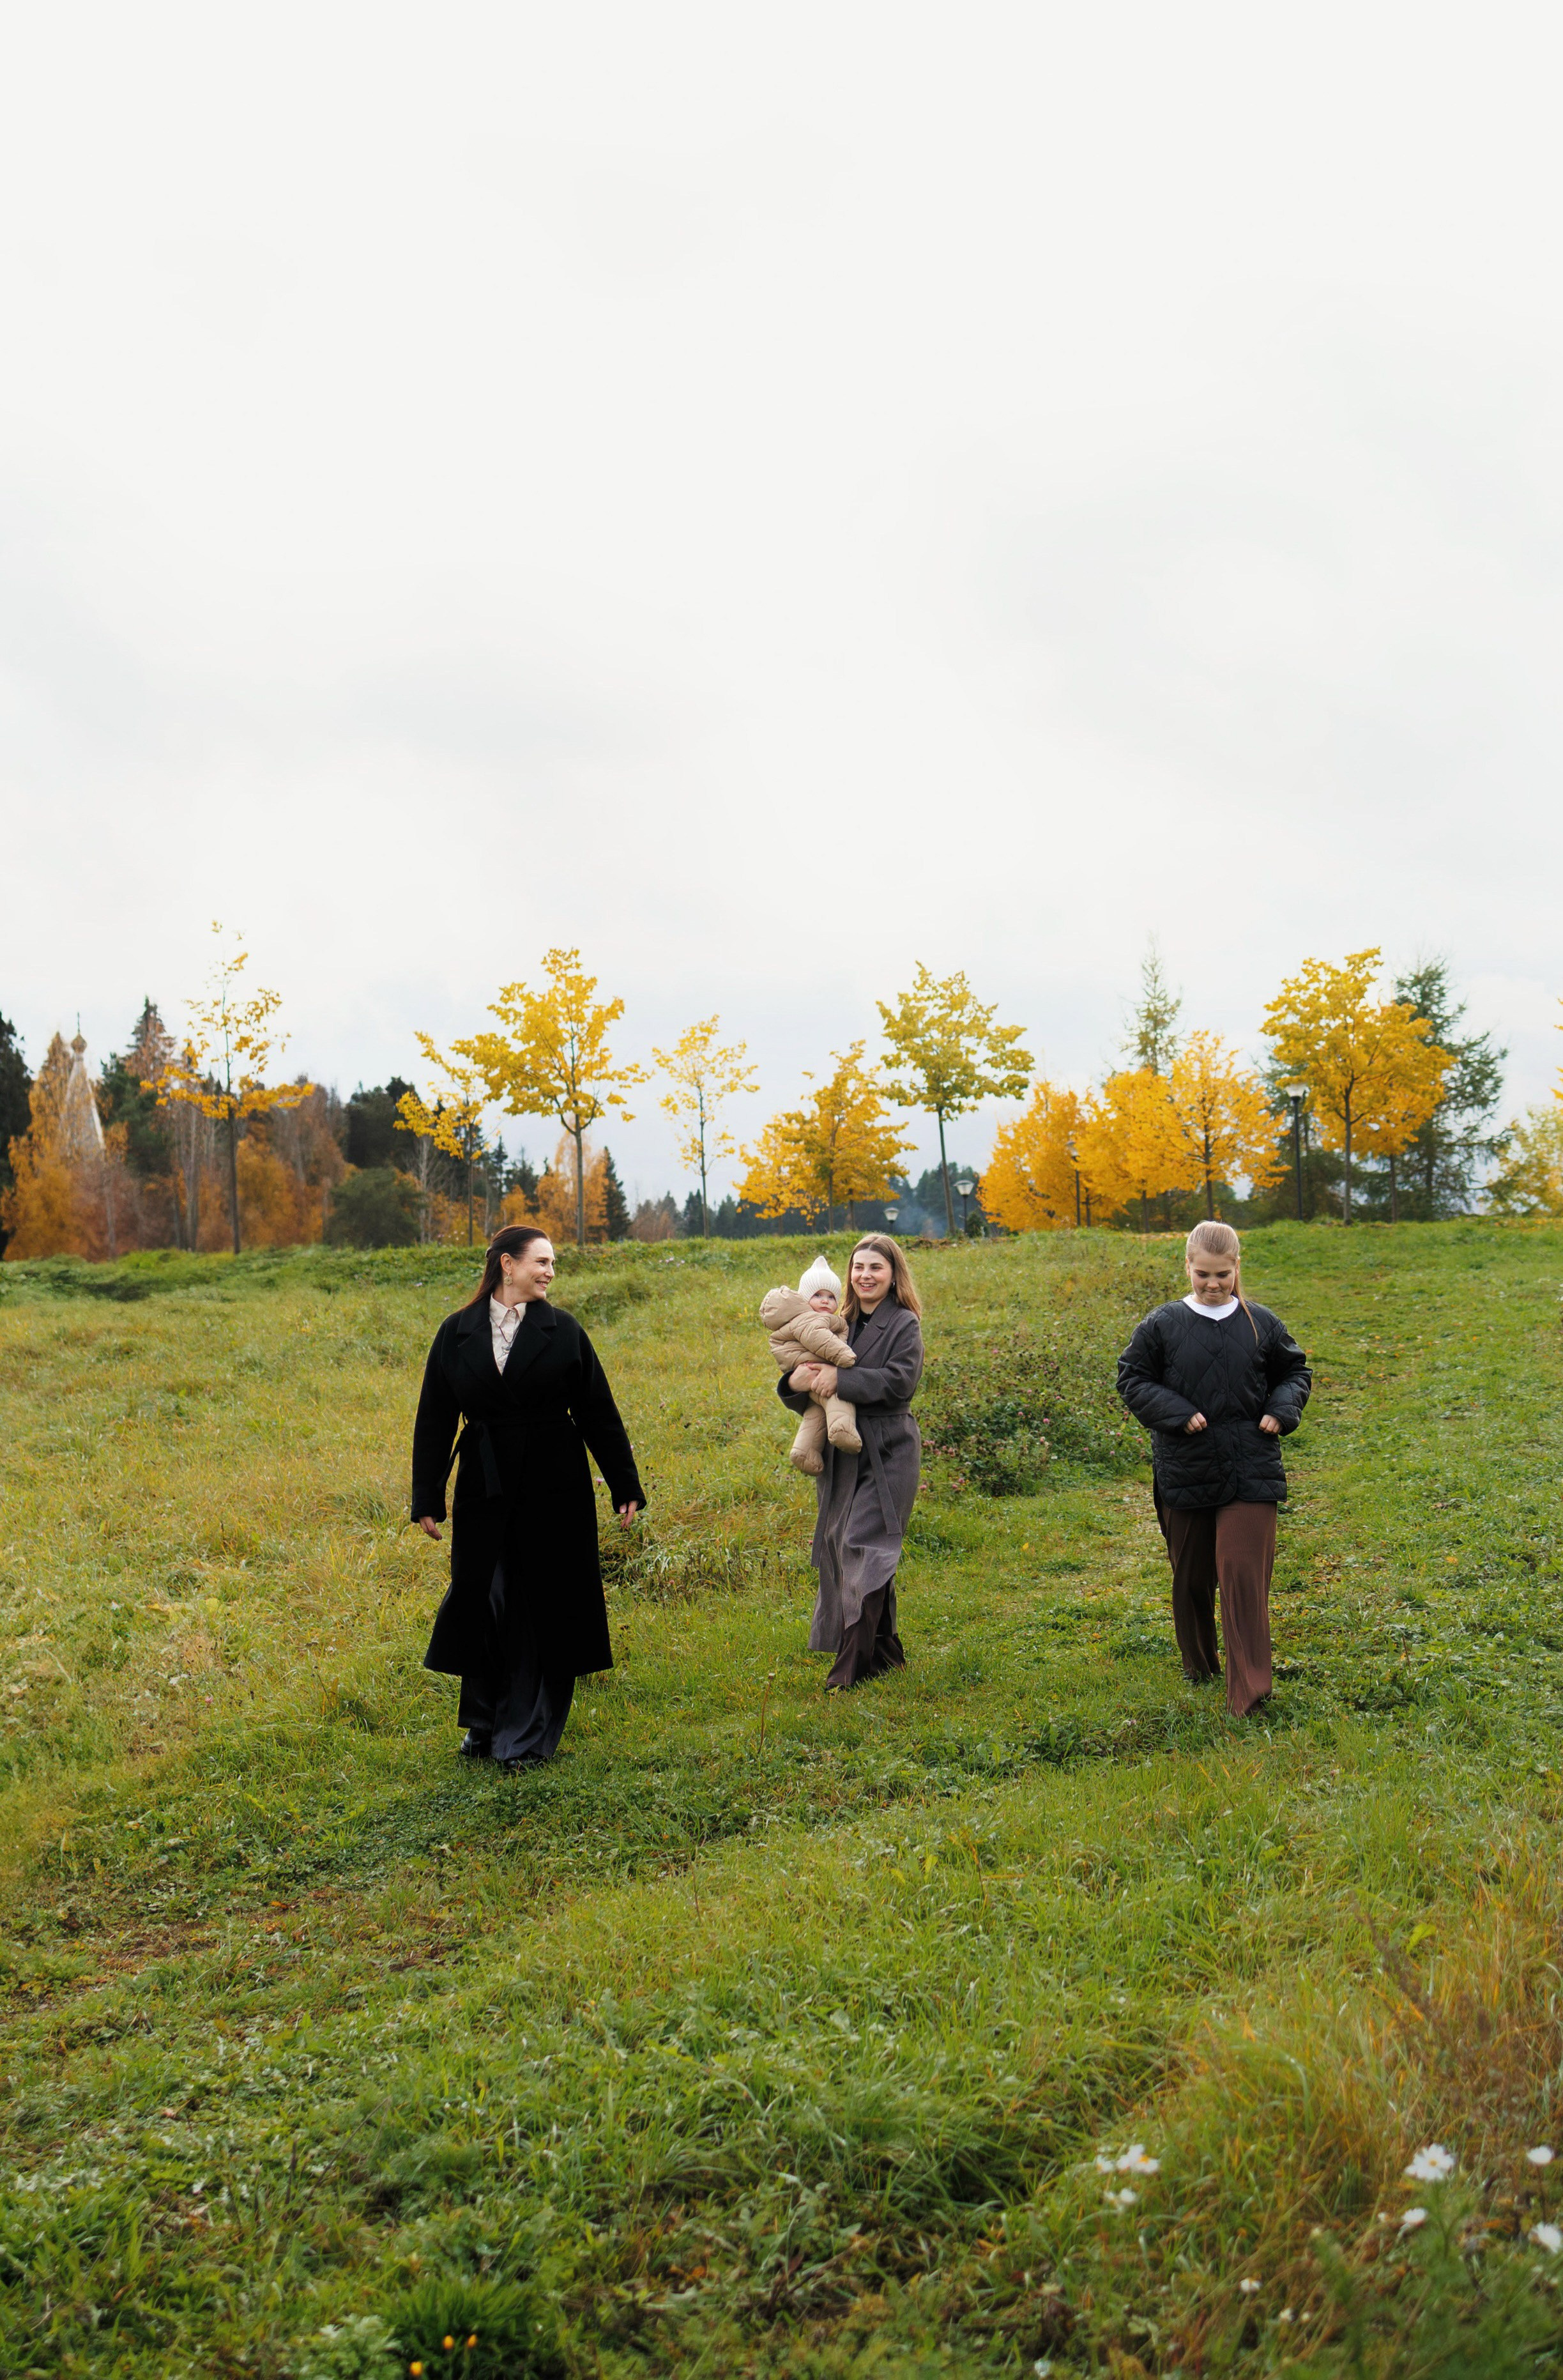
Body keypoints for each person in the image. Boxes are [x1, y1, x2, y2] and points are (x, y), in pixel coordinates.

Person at [410, 1225, 645, 1771]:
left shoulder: (563, 1330)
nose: (550, 1271)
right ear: (506, 1265)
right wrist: (427, 1496)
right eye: (541, 1261)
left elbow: (597, 1411)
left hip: (553, 1484)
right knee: (483, 1601)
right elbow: (435, 1417)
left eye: (553, 1263)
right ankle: (484, 1721)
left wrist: (624, 1483)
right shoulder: (456, 1332)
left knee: (544, 1606)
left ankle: (526, 1738)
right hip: (484, 1487)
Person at [1116, 1219, 1310, 1717]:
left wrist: (1282, 1409)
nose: (1212, 1284)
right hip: (1187, 1465)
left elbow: (1294, 1371)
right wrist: (1177, 1412)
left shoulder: (1260, 1322)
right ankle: (1199, 1664)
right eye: (1202, 1273)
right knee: (1192, 1577)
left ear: (1237, 1267)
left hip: (1251, 1462)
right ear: (1187, 1266)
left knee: (1243, 1574)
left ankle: (1249, 1691)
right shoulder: (1161, 1324)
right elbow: (1132, 1377)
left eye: (1222, 1274)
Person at [778, 1233, 924, 1691]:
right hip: (843, 1455)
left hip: (889, 1449)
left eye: (875, 1267)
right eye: (858, 1267)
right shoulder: (835, 1321)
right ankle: (886, 1653)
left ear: (892, 1274)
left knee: (867, 1545)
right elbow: (806, 1380)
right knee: (845, 1548)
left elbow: (900, 1383)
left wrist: (839, 1377)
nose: (865, 1275)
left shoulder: (904, 1324)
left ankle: (848, 1669)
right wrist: (793, 1383)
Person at [759, 1254, 862, 1473]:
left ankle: (804, 1450)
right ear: (805, 1299)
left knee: (815, 1413)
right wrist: (844, 1356)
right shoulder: (810, 1319)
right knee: (834, 1395)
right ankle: (842, 1430)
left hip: (805, 1369)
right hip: (812, 1367)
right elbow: (820, 1340)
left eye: (831, 1297)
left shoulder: (808, 1317)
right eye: (818, 1295)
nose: (825, 1301)